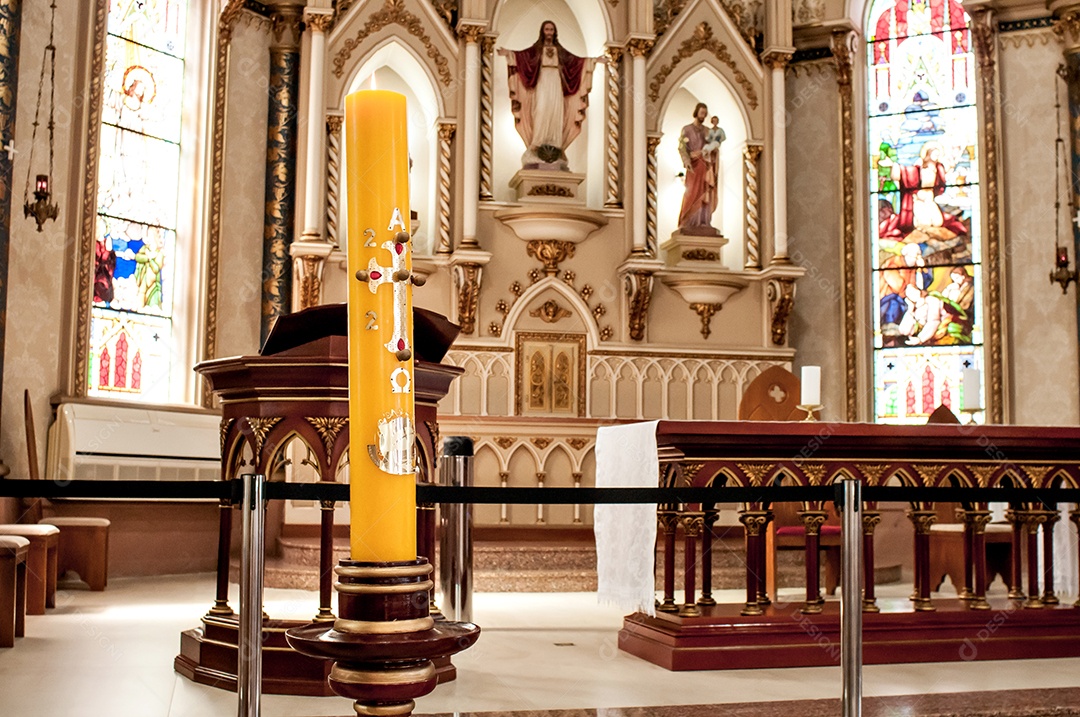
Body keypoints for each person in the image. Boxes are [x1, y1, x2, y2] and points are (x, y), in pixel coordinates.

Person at [498, 21, 604, 169]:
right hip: (542, 83)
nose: (549, 32)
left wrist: (594, 60)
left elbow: (576, 62)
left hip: (556, 84)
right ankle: (537, 145)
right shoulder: (537, 50)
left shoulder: (560, 51)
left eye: (551, 29)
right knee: (541, 111)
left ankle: (555, 145)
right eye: (547, 29)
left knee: (556, 113)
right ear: (543, 31)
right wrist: (509, 54)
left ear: (555, 32)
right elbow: (523, 57)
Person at [677, 102, 720, 234]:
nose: (703, 116)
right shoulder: (687, 129)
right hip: (693, 167)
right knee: (691, 193)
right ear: (696, 113)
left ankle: (703, 221)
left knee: (705, 191)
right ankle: (688, 220)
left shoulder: (707, 130)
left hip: (705, 164)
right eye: (702, 113)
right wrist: (686, 160)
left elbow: (714, 146)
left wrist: (712, 150)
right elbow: (682, 147)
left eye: (705, 114)